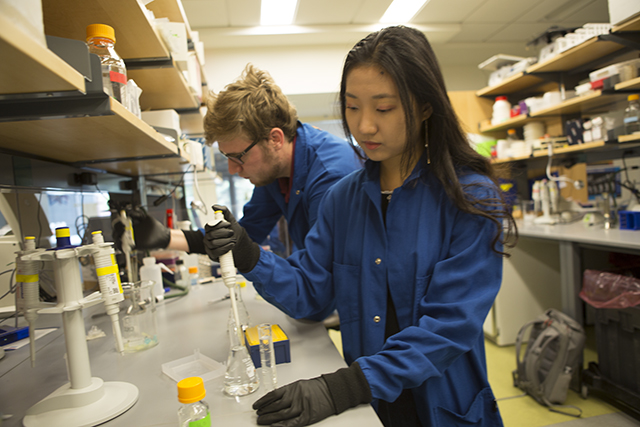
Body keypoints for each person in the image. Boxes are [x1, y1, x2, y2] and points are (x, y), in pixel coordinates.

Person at [204, 26, 517, 427]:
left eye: (383, 108)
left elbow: (449, 327)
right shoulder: (343, 200)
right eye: (352, 107)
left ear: (424, 107)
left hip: (444, 407)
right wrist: (249, 255)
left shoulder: (471, 197)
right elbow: (311, 296)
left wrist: (344, 387)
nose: (364, 126)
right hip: (373, 409)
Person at [115, 64, 361, 262]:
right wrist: (166, 237)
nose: (233, 170)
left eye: (238, 156)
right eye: (227, 158)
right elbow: (246, 234)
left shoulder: (331, 177)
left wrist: (252, 259)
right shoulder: (275, 171)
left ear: (274, 139)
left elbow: (320, 278)